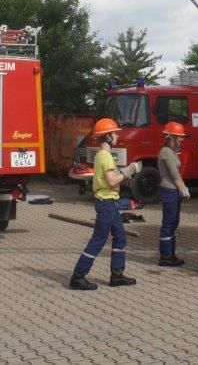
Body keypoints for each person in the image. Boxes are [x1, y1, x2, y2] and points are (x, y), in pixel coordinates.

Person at [68, 118, 143, 290]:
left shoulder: (102, 156)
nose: (117, 136)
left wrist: (123, 178)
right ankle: (78, 276)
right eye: (115, 133)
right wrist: (129, 170)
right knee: (98, 240)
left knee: (120, 236)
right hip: (107, 204)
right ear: (108, 136)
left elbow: (111, 179)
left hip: (110, 203)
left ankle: (117, 275)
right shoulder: (105, 157)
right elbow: (111, 181)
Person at [157, 121, 190, 267]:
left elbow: (177, 174)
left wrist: (183, 188)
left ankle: (171, 254)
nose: (181, 139)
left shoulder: (171, 151)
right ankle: (165, 256)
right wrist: (182, 190)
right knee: (168, 224)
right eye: (179, 136)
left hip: (173, 191)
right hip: (169, 191)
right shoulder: (166, 152)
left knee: (173, 223)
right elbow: (174, 175)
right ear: (171, 137)